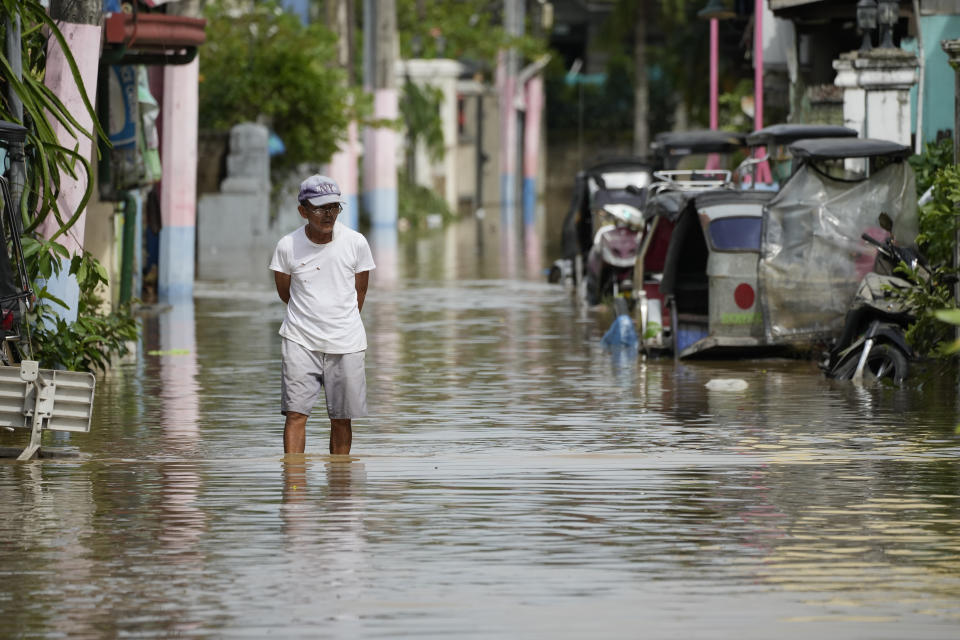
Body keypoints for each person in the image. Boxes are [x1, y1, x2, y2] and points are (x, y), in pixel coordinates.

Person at [269, 175, 376, 454]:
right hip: (300, 340)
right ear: (303, 211)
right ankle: (293, 486)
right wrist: (310, 318)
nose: (328, 214)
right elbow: (285, 293)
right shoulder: (287, 246)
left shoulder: (356, 243)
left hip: (347, 341)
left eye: (334, 207)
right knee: (295, 414)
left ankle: (340, 485)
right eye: (320, 208)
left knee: (342, 418)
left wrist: (340, 323)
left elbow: (359, 293)